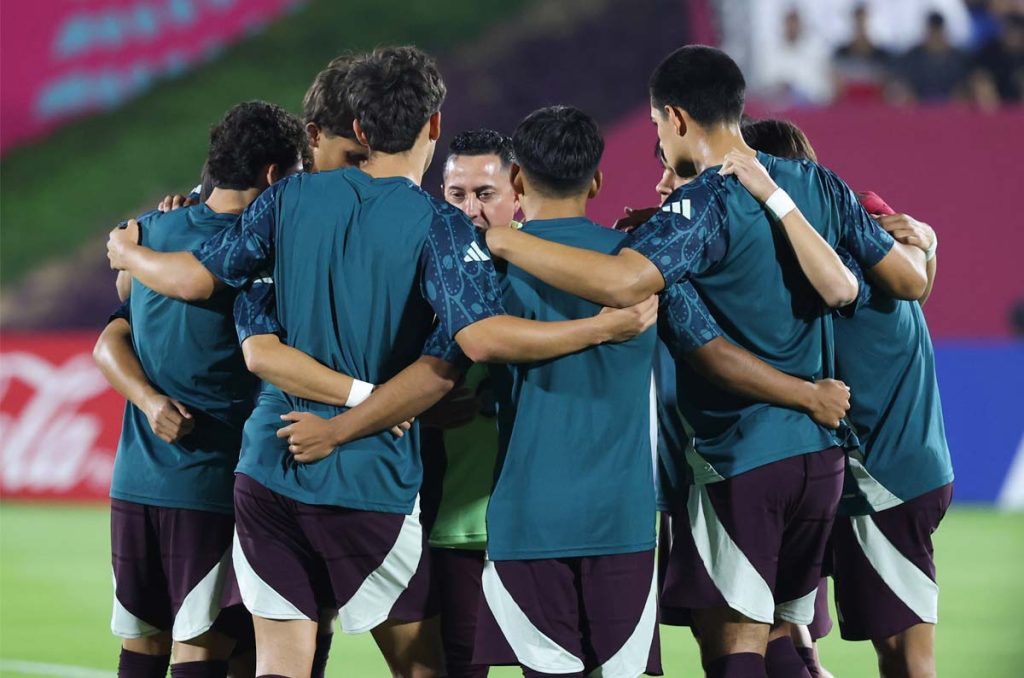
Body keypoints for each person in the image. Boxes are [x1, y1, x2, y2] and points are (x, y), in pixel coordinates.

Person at [106, 46, 655, 678]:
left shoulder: (284, 203)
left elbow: (206, 288)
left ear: (359, 130)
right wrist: (602, 326)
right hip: (369, 479)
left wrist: (127, 251)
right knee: (423, 666)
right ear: (435, 126)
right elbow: (466, 348)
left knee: (280, 665)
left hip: (267, 466)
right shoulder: (439, 227)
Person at [484, 45, 929, 677]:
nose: (661, 142)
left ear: (676, 118)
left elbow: (624, 284)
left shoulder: (703, 202)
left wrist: (506, 239)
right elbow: (907, 285)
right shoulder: (819, 183)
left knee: (733, 645)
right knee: (787, 635)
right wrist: (928, 245)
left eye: (658, 127)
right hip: (822, 459)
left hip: (743, 457)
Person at [93, 100, 308, 678]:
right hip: (211, 483)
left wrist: (147, 400)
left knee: (142, 646)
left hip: (134, 481)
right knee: (204, 648)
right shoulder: (263, 249)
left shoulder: (148, 234)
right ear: (272, 176)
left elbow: (111, 335)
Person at [737, 118, 952, 678]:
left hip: (884, 477)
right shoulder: (866, 230)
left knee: (908, 659)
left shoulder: (827, 258)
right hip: (879, 470)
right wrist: (927, 239)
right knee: (826, 641)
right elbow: (917, 277)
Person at [469, 105, 660, 678]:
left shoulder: (487, 266)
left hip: (529, 518)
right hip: (621, 519)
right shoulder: (645, 263)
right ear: (596, 181)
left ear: (518, 181)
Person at [429, 128, 520, 678]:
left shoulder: (558, 272)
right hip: (454, 521)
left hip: (539, 523)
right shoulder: (423, 275)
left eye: (484, 194)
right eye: (456, 194)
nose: (470, 210)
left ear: (518, 191)